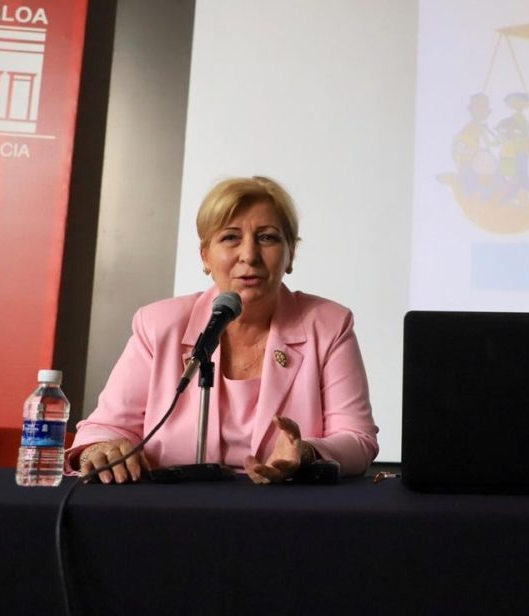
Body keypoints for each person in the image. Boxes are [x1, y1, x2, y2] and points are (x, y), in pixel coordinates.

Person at [67, 176, 379, 484]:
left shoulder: (329, 324)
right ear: (205, 256)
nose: (249, 255)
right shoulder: (158, 325)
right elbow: (104, 429)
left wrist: (307, 453)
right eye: (230, 238)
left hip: (286, 505)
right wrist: (100, 448)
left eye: (267, 238)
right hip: (172, 506)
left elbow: (357, 438)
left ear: (290, 255)